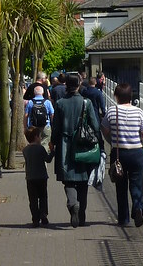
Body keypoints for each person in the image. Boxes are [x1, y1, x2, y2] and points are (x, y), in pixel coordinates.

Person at [50, 73, 99, 227]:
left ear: (66, 85)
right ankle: (82, 215)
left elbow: (56, 127)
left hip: (65, 145)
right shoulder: (87, 103)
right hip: (83, 146)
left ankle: (72, 203)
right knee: (83, 181)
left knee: (69, 180)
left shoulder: (60, 103)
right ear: (78, 85)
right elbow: (96, 126)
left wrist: (52, 142)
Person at [101, 81, 143, 227]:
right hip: (136, 153)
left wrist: (112, 140)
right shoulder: (139, 112)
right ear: (130, 96)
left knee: (120, 185)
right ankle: (138, 208)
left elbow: (104, 129)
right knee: (136, 183)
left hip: (119, 153)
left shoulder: (111, 111)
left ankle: (123, 218)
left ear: (116, 96)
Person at [22, 126, 53, 227]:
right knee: (43, 196)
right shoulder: (40, 149)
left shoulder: (25, 150)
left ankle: (35, 218)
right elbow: (48, 159)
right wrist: (52, 151)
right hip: (42, 176)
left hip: (30, 177)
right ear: (36, 137)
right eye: (40, 136)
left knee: (33, 199)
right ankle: (43, 214)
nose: (40, 138)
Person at [24, 84, 53, 149]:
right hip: (46, 126)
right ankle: (43, 156)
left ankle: (35, 157)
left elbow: (26, 115)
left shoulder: (30, 102)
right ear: (43, 92)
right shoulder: (47, 102)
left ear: (34, 93)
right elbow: (52, 115)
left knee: (34, 143)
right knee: (45, 142)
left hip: (33, 126)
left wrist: (25, 127)